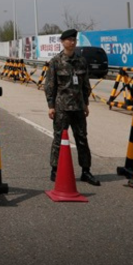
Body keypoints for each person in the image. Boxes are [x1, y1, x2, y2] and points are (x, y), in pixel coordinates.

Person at [44, 28, 99, 186]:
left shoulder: (81, 61)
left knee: (82, 138)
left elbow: (85, 84)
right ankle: (55, 169)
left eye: (74, 40)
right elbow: (50, 86)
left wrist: (86, 103)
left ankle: (86, 171)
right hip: (62, 107)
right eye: (69, 40)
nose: (72, 42)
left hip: (78, 107)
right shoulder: (56, 62)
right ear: (62, 42)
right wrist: (51, 106)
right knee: (58, 138)